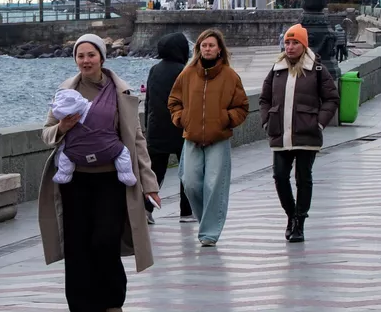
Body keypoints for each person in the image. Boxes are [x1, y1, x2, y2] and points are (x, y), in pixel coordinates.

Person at [39, 34, 159, 312]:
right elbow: (45, 134)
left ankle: (112, 301)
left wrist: (149, 183)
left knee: (105, 240)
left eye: (91, 55)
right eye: (80, 56)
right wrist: (62, 128)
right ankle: (81, 305)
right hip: (76, 181)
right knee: (77, 245)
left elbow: (136, 139)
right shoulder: (65, 92)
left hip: (111, 180)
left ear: (102, 58)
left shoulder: (120, 93)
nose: (85, 61)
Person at [168, 29, 249, 247]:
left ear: (219, 49)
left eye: (211, 45)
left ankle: (209, 233)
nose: (207, 49)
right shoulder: (187, 74)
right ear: (198, 48)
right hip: (192, 137)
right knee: (191, 183)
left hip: (218, 139)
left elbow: (242, 106)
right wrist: (181, 119)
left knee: (215, 185)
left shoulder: (230, 76)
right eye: (204, 45)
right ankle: (208, 219)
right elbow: (174, 101)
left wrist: (225, 118)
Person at [259, 24, 339, 243]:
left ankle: (300, 223)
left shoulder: (317, 69)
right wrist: (267, 121)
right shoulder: (276, 68)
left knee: (303, 178)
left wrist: (319, 124)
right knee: (280, 176)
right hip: (280, 133)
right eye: (287, 42)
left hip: (307, 134)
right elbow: (264, 98)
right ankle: (291, 215)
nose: (290, 47)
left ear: (304, 45)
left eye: (295, 43)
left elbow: (332, 98)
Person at [144, 32, 193, 224]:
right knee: (186, 172)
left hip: (157, 130)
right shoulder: (185, 71)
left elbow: (148, 102)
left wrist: (148, 128)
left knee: (155, 173)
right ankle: (187, 212)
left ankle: (147, 210)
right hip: (181, 129)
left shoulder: (154, 70)